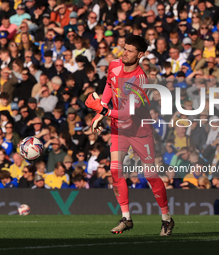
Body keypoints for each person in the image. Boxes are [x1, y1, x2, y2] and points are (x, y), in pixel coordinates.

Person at [84, 35, 174, 235]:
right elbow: (109, 85)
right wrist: (102, 110)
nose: (124, 53)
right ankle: (126, 218)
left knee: (150, 175)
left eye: (130, 51)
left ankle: (166, 218)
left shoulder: (140, 79)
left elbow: (128, 112)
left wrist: (103, 111)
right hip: (119, 129)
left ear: (140, 55)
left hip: (140, 131)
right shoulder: (115, 65)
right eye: (124, 48)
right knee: (115, 172)